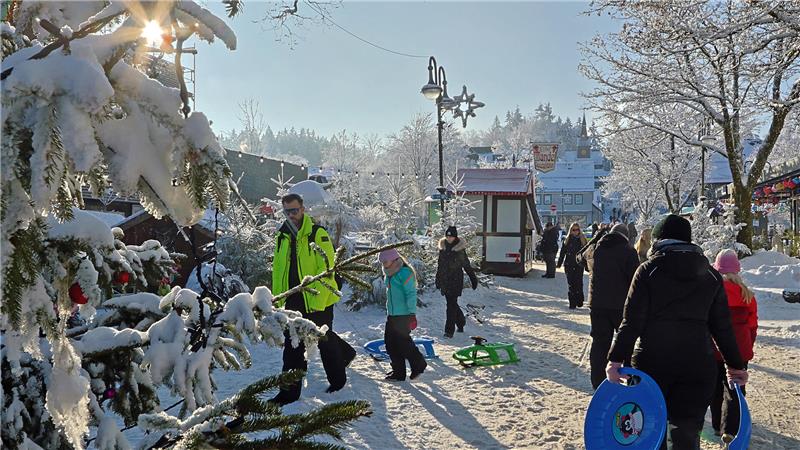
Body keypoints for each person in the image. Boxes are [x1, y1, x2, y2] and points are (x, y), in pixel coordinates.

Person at [606, 215, 749, 449]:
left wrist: (615, 359)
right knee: (686, 433)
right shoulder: (711, 276)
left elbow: (631, 322)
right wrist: (735, 365)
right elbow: (722, 327)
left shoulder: (648, 270)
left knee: (648, 432)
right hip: (697, 366)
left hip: (652, 365)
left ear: (659, 240)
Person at [270, 193, 357, 405]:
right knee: (293, 346)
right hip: (291, 300)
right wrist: (277, 298)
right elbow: (278, 270)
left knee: (324, 340)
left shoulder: (317, 234)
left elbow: (327, 268)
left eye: (295, 210)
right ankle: (288, 393)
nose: (291, 215)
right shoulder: (281, 236)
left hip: (318, 299)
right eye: (287, 211)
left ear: (303, 209)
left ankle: (338, 381)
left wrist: (316, 300)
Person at [581, 223, 639, 389]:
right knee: (625, 343)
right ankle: (628, 379)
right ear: (626, 236)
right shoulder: (628, 251)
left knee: (599, 343)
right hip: (621, 305)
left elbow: (580, 259)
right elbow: (634, 279)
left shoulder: (594, 248)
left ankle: (598, 382)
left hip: (597, 304)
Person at [709, 249, 758, 441]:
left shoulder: (712, 292)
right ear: (737, 269)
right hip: (740, 349)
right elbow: (753, 325)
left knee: (715, 387)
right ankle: (730, 429)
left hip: (715, 348)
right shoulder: (747, 295)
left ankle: (715, 425)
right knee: (735, 388)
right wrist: (748, 346)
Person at [380, 248, 427, 381]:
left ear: (394, 260)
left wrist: (412, 313)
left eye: (385, 261)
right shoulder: (389, 273)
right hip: (392, 315)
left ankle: (419, 364)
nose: (383, 264)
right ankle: (398, 372)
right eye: (382, 262)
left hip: (404, 315)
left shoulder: (405, 273)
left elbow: (411, 294)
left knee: (403, 343)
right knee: (390, 343)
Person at [435, 226, 478, 338]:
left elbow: (466, 265)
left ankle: (449, 331)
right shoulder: (443, 248)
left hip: (455, 280)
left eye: (451, 236)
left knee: (450, 305)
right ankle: (461, 321)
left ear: (455, 237)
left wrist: (473, 279)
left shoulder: (460, 250)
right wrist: (438, 279)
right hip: (445, 281)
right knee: (452, 304)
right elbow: (440, 265)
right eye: (447, 236)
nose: (449, 238)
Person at [557, 222, 588, 309]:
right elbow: (562, 252)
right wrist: (559, 263)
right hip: (569, 264)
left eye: (577, 230)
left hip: (579, 265)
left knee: (578, 283)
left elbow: (587, 253)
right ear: (570, 231)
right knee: (571, 284)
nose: (575, 232)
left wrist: (587, 264)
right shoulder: (567, 240)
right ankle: (572, 303)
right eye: (573, 230)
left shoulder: (582, 240)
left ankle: (579, 300)